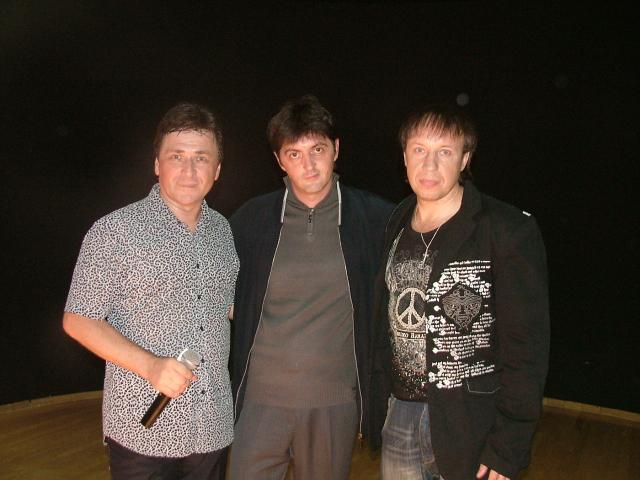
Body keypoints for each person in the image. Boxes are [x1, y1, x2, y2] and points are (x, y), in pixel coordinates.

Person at [369, 104, 550, 480]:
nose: (429, 165)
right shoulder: (396, 220)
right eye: (419, 149)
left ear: (465, 159)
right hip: (400, 415)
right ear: (404, 156)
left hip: (470, 423)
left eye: (445, 152)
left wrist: (509, 444)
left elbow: (527, 348)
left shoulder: (505, 230)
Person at [62, 102, 238, 479]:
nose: (189, 170)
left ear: (217, 169)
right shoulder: (114, 232)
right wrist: (151, 366)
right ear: (157, 164)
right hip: (143, 432)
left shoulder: (224, 233)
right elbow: (78, 319)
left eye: (201, 158)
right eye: (177, 156)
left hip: (212, 426)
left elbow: (227, 308)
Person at [228, 94, 394, 479]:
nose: (308, 164)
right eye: (294, 153)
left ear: (336, 149)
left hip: (333, 407)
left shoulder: (376, 219)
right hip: (259, 404)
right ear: (279, 160)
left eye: (317, 149)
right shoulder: (251, 220)